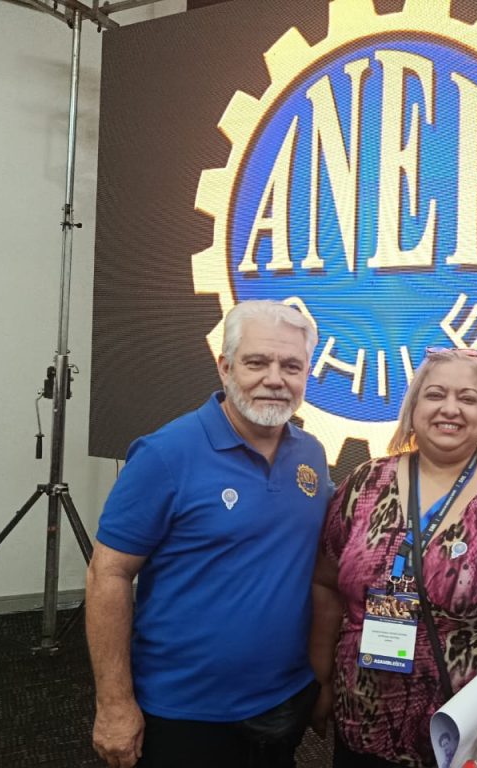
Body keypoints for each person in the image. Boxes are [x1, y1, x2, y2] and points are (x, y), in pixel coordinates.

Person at [85, 300, 333, 768]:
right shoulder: (165, 455)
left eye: (291, 366)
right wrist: (113, 704)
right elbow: (108, 574)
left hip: (286, 697)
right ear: (225, 367)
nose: (275, 379)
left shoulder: (312, 455)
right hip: (185, 712)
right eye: (257, 362)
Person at [310, 347, 477, 768]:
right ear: (413, 408)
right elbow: (326, 584)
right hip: (365, 736)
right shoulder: (364, 484)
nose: (450, 408)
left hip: (476, 743)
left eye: (467, 398)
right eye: (435, 394)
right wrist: (322, 681)